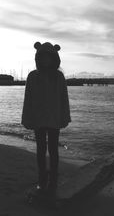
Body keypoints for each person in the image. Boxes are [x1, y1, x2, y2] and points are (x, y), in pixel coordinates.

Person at [21, 41, 71, 196]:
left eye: (49, 57)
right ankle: (42, 180)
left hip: (54, 119)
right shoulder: (32, 76)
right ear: (38, 58)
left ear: (54, 58)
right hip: (38, 119)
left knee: (53, 150)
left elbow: (64, 99)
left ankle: (53, 181)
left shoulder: (59, 77)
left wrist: (64, 117)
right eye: (43, 57)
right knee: (41, 150)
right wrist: (27, 118)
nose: (45, 60)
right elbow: (28, 99)